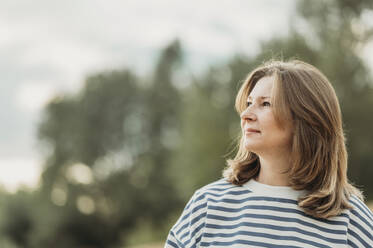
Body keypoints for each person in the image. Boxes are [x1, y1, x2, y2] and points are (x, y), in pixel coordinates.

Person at [165, 60, 373, 247]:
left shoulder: (351, 219)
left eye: (265, 104)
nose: (246, 115)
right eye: (248, 104)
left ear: (306, 120)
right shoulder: (207, 205)